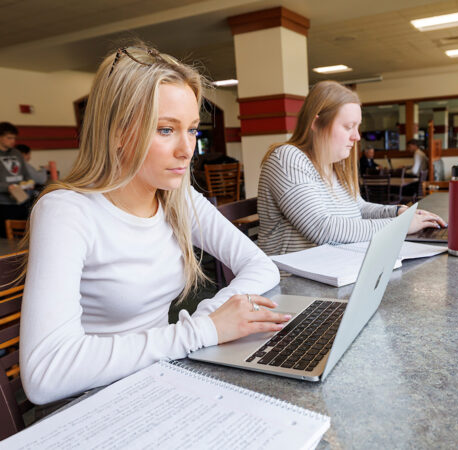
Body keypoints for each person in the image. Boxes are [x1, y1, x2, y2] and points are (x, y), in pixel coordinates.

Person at [20, 44, 288, 406]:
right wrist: (202, 331)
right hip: (96, 401)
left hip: (163, 379)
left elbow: (261, 266)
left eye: (192, 130)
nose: (187, 149)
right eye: (165, 130)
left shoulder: (177, 198)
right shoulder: (67, 211)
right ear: (116, 133)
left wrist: (212, 318)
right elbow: (45, 375)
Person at [257, 80, 446, 257]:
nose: (356, 137)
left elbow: (359, 208)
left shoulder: (333, 165)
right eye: (349, 127)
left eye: (357, 128)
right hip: (291, 282)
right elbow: (322, 229)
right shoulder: (287, 157)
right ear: (316, 124)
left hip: (336, 269)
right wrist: (400, 226)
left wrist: (397, 212)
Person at [0, 121, 34, 238]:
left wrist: (29, 182)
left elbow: (26, 174)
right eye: (9, 138)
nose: (13, 141)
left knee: (26, 234)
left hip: (22, 199)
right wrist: (7, 187)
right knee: (8, 238)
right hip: (4, 204)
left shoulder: (16, 152)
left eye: (14, 138)